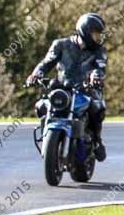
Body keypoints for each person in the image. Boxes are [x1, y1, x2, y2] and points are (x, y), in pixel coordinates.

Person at [26, 13, 108, 161]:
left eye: (99, 35)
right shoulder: (61, 45)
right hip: (62, 90)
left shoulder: (99, 51)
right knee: (41, 106)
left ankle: (96, 142)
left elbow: (100, 67)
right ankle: (47, 138)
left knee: (97, 108)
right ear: (85, 31)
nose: (98, 38)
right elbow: (47, 62)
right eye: (96, 34)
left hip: (86, 90)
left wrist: (95, 76)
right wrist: (36, 74)